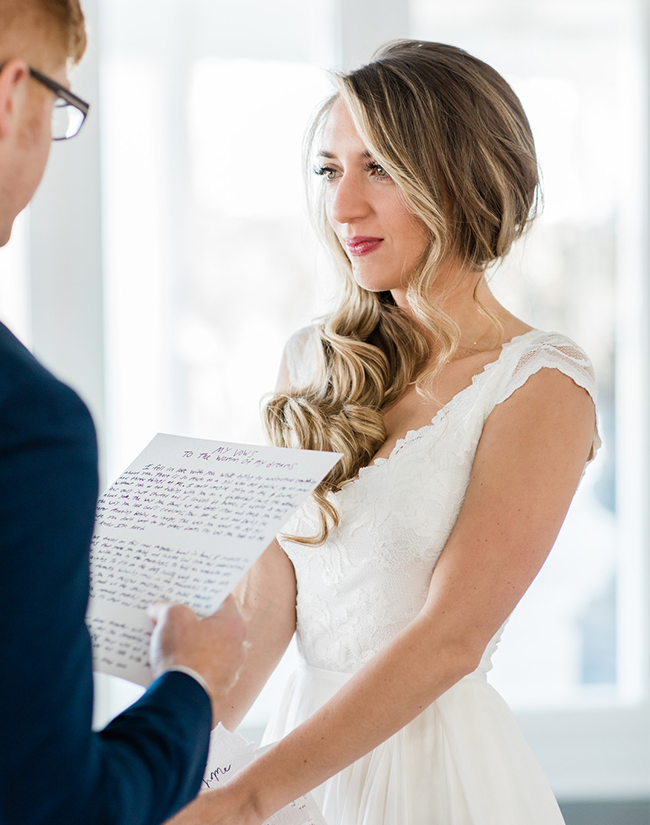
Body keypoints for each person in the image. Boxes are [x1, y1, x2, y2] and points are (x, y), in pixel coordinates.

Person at [169, 40, 600, 825]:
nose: (342, 209)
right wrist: (165, 754)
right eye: (330, 171)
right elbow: (273, 600)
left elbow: (450, 640)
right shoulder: (312, 362)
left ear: (463, 179)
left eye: (380, 169)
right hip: (297, 752)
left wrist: (255, 792)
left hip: (432, 772)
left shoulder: (541, 386)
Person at [0, 0, 248, 824]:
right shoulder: (29, 424)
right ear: (10, 96)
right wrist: (194, 683)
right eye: (60, 105)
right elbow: (57, 805)